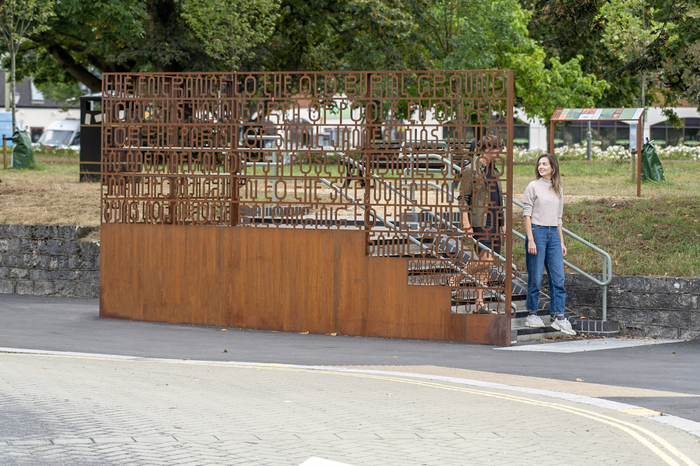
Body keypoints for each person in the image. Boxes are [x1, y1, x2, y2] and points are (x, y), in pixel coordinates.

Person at [522, 153, 575, 335]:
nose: (541, 167)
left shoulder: (558, 189)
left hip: (553, 234)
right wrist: (530, 239)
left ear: (553, 167)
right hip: (537, 232)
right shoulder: (533, 186)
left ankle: (559, 317)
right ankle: (532, 314)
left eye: (545, 164)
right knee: (535, 277)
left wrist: (561, 241)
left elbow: (559, 219)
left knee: (558, 278)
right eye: (539, 164)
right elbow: (526, 214)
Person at [453, 134, 505, 314]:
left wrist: (503, 223)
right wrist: (465, 222)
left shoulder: (494, 170)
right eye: (499, 149)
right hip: (480, 219)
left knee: (487, 263)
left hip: (494, 220)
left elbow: (498, 198)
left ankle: (479, 304)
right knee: (487, 259)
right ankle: (457, 278)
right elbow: (463, 198)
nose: (502, 152)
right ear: (489, 149)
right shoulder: (471, 169)